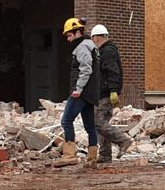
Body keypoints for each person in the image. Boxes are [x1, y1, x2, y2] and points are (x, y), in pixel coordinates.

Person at [53, 17, 101, 167]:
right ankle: (92, 158)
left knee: (66, 121)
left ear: (78, 33)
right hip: (91, 93)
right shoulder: (91, 46)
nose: (68, 39)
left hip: (81, 92)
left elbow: (86, 69)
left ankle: (69, 155)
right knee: (90, 126)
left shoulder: (82, 47)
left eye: (69, 35)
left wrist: (78, 89)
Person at [89, 24, 134, 163]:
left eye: (92, 39)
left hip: (105, 93)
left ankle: (123, 140)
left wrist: (113, 90)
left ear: (96, 38)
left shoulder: (107, 52)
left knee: (97, 122)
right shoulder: (105, 51)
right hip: (104, 92)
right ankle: (105, 155)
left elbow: (113, 72)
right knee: (103, 123)